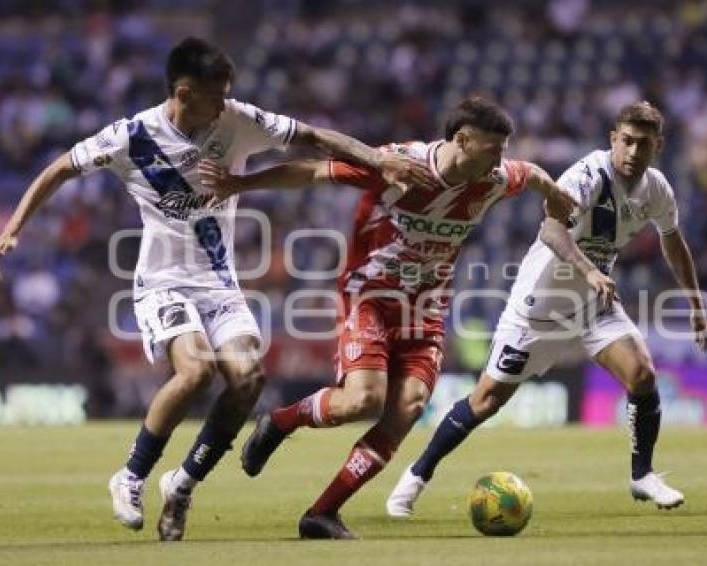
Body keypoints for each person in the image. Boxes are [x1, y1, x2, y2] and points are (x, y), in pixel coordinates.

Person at [0, 37, 435, 542]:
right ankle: (131, 475)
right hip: (163, 283)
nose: (225, 105)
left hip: (219, 285)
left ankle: (184, 482)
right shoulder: (132, 136)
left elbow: (314, 136)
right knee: (196, 371)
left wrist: (375, 159)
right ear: (185, 92)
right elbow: (60, 167)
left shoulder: (235, 118)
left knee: (249, 378)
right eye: (216, 97)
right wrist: (13, 228)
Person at [200, 95, 579, 539]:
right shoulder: (401, 166)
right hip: (372, 296)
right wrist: (238, 185)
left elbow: (531, 174)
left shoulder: (495, 178)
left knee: (408, 408)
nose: (501, 159)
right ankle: (282, 421)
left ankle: (321, 514)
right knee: (362, 401)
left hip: (426, 308)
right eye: (493, 148)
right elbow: (312, 172)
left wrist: (555, 195)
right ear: (462, 139)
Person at [385, 101, 707, 518]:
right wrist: (590, 270)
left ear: (657, 147)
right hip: (537, 307)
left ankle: (642, 474)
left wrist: (695, 301)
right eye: (626, 141)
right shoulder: (588, 174)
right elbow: (552, 230)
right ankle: (414, 477)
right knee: (486, 401)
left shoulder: (657, 189)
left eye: (642, 144)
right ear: (613, 139)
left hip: (593, 304)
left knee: (643, 374)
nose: (632, 152)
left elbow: (672, 240)